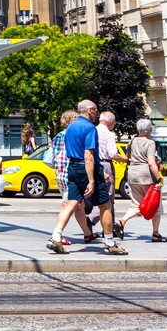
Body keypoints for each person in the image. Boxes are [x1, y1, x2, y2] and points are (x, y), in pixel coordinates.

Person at [45, 99, 127, 255]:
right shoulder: (90, 128)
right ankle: (110, 243)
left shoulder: (70, 128)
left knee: (71, 203)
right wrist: (91, 180)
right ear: (89, 111)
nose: (96, 113)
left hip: (73, 167)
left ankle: (55, 237)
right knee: (104, 205)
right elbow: (89, 155)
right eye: (95, 111)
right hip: (87, 167)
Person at [49, 110, 98, 245]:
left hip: (61, 174)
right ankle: (57, 235)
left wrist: (57, 166)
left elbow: (49, 159)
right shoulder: (73, 135)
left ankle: (87, 234)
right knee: (68, 205)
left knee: (78, 205)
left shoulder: (57, 136)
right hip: (71, 173)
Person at [117, 118, 167, 242]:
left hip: (133, 175)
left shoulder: (132, 141)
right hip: (147, 176)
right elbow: (151, 163)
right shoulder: (150, 143)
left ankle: (121, 222)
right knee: (155, 204)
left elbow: (128, 157)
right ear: (149, 130)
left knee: (136, 204)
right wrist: (158, 179)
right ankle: (156, 234)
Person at [90, 111, 128, 227]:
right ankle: (92, 220)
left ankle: (109, 227)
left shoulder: (92, 130)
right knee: (108, 198)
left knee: (101, 195)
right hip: (105, 164)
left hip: (93, 163)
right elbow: (113, 154)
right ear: (111, 122)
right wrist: (127, 160)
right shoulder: (108, 134)